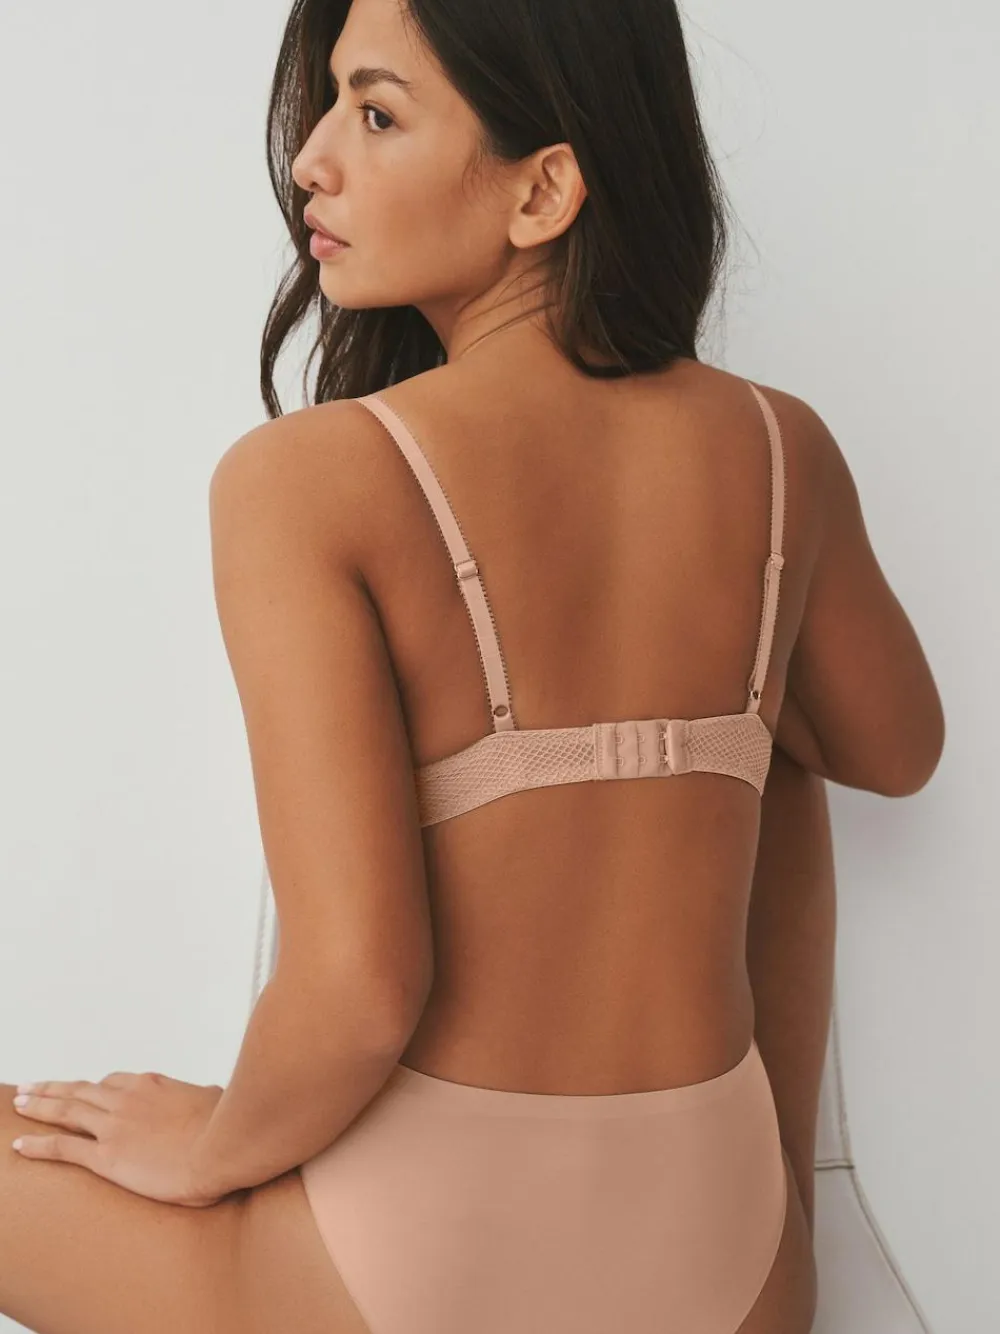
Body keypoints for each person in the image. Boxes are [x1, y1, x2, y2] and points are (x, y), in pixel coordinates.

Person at [0, 0, 943, 1330]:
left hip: (415, 1264)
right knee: (770, 735)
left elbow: (357, 990)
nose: (312, 158)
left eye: (377, 114)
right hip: (726, 1251)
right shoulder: (783, 448)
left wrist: (211, 1147)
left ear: (543, 190)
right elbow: (895, 750)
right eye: (331, 103)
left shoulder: (309, 480)